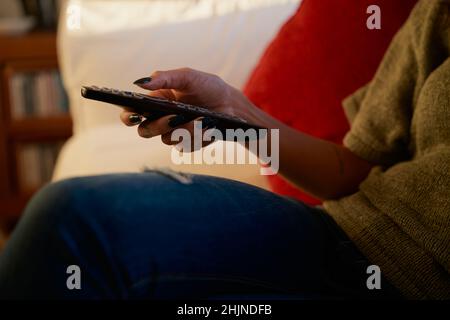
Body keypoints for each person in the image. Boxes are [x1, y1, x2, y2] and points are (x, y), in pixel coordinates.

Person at [0, 0, 448, 299]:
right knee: (76, 223)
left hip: (409, 281)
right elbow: (346, 171)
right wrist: (233, 113)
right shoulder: (437, 13)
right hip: (343, 234)